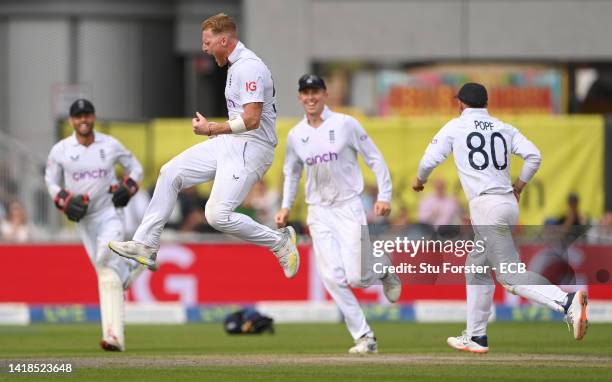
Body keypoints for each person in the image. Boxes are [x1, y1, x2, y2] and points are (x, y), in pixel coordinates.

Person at [108, 13, 299, 278]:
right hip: (232, 143)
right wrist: (218, 130)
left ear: (223, 40)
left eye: (207, 42)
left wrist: (212, 128)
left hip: (253, 148)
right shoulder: (236, 66)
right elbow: (242, 119)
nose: (203, 48)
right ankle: (146, 244)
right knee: (170, 173)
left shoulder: (248, 67)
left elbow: (253, 119)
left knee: (216, 215)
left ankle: (280, 242)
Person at [412, 83, 588, 353]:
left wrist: (420, 180)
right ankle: (476, 336)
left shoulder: (455, 126)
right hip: (506, 202)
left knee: (509, 275)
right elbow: (534, 156)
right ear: (485, 103)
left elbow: (429, 160)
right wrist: (519, 185)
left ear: (460, 104)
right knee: (477, 267)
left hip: (486, 206)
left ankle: (567, 301)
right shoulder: (503, 127)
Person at [275, 74, 401, 355]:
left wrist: (384, 196)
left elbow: (375, 158)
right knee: (332, 277)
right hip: (318, 211)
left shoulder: (345, 124)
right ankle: (365, 337)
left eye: (315, 92)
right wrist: (285, 205)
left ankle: (382, 267)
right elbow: (291, 172)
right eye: (305, 93)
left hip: (348, 206)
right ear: (299, 97)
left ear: (325, 94)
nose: (310, 97)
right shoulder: (296, 135)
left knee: (357, 278)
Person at [44, 98, 145, 352]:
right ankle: (131, 267)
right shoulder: (61, 150)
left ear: (94, 117)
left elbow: (136, 167)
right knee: (106, 272)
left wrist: (129, 187)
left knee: (104, 258)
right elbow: (51, 181)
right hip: (83, 219)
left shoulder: (109, 145)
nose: (83, 120)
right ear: (71, 121)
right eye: (78, 116)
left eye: (87, 115)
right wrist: (64, 201)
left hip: (110, 212)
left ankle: (113, 337)